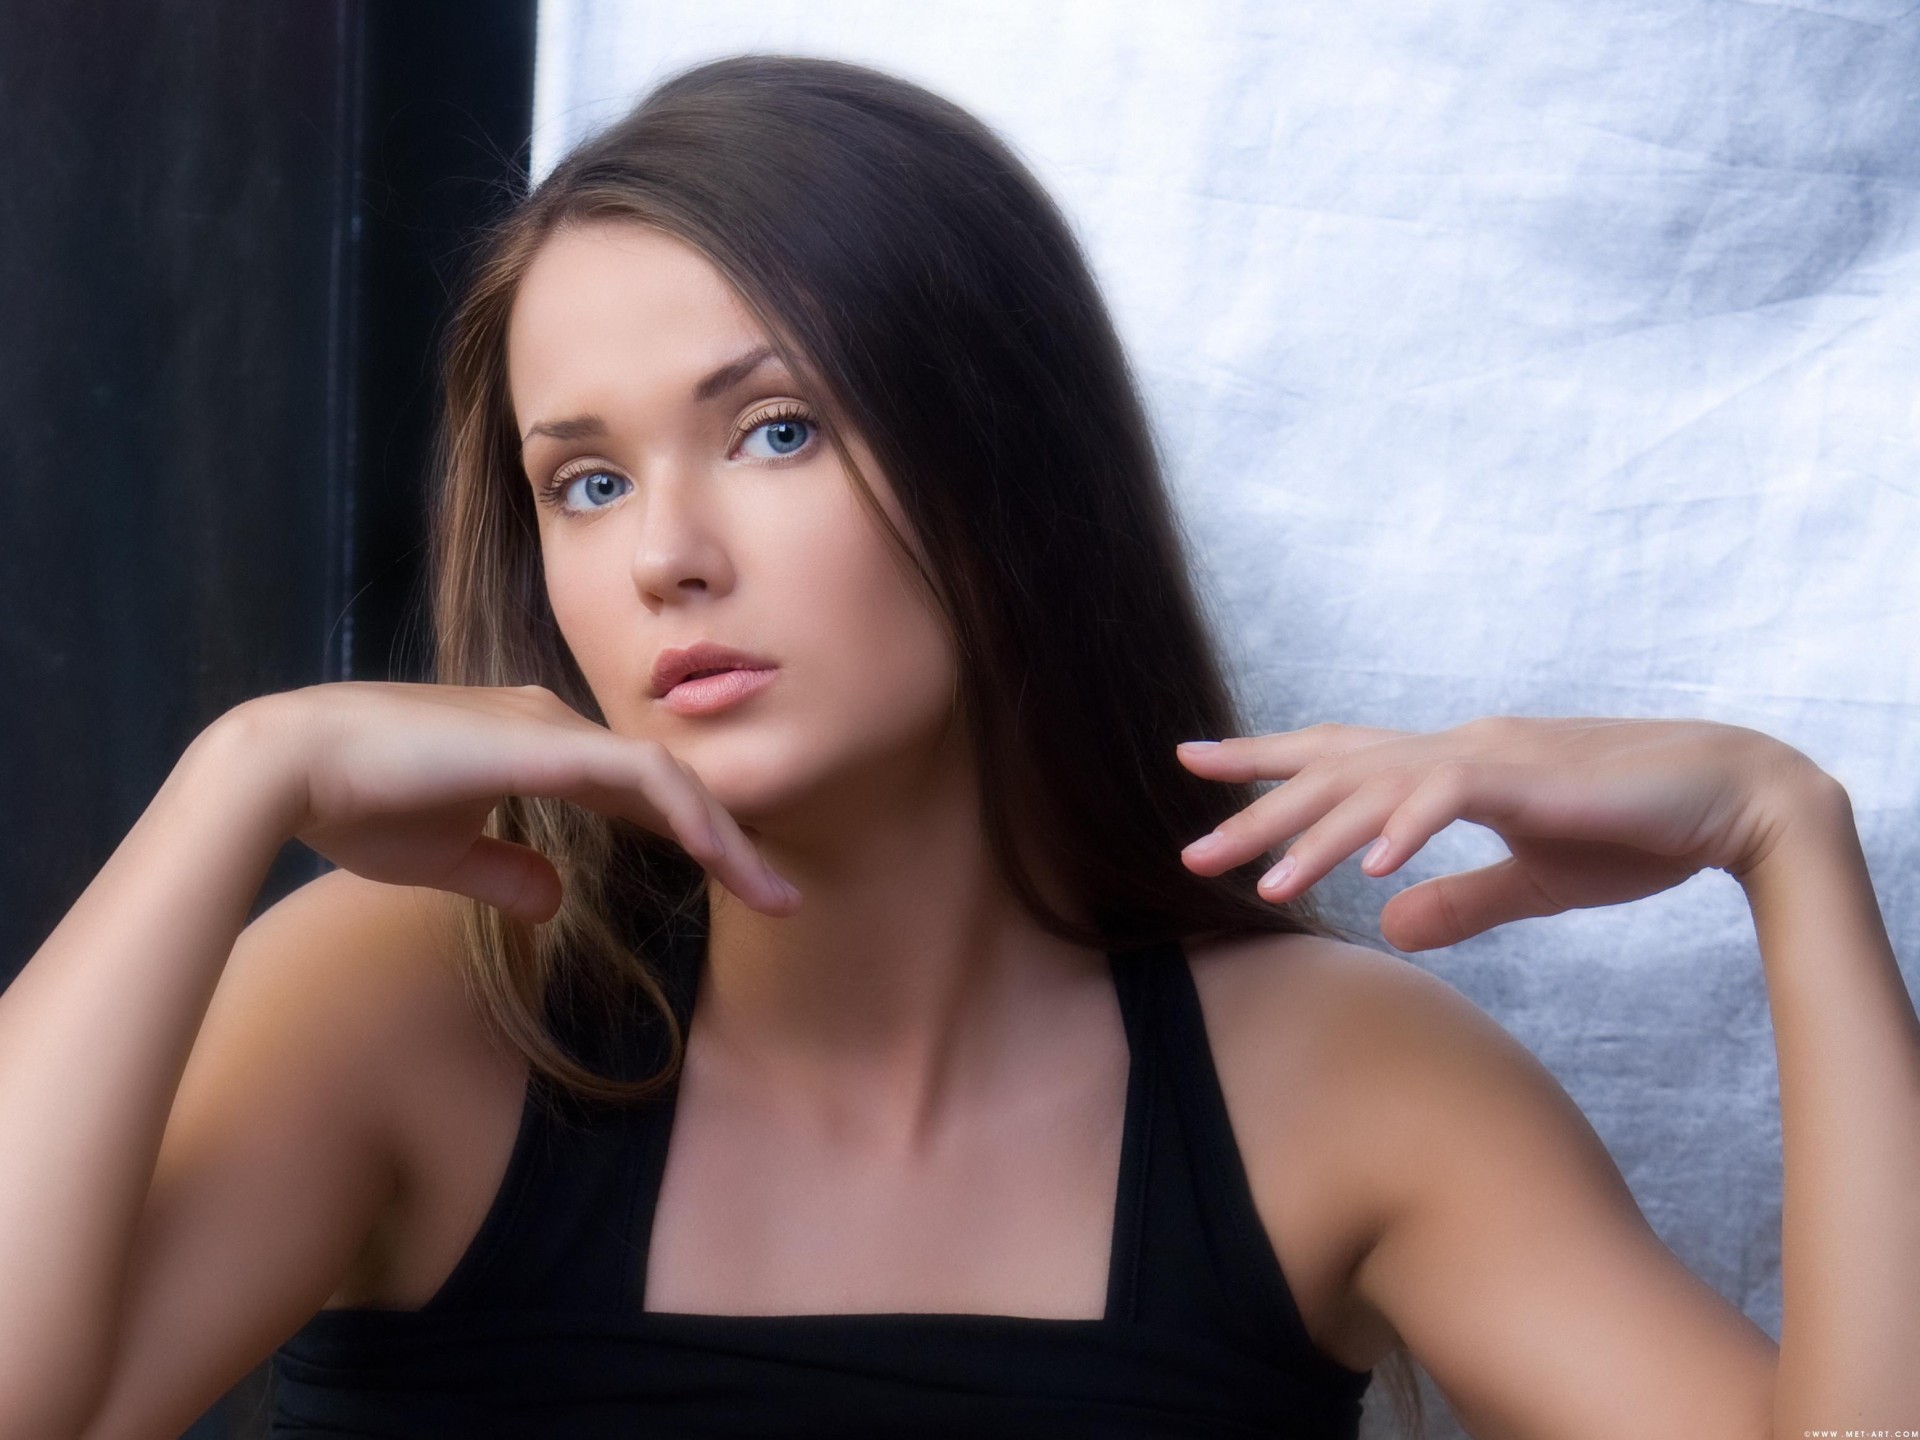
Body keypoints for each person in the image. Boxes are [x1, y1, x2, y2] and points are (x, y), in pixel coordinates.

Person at [1, 52, 1910, 1440]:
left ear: (1005, 461)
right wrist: (233, 781)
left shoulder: (1333, 1083)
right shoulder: (419, 1000)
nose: (664, 555)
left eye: (774, 431)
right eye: (585, 480)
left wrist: (1786, 832)